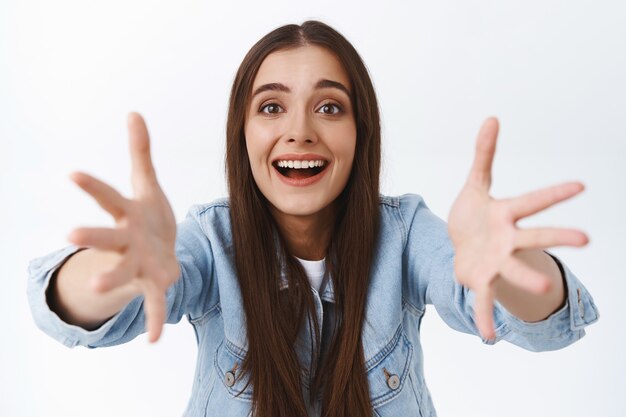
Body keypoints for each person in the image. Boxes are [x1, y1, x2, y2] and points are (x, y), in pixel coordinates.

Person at [27, 20, 599, 417]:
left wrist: (502, 269)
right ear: (243, 136)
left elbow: (544, 324)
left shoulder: (404, 235)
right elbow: (64, 314)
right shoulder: (210, 241)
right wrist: (119, 269)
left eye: (330, 106)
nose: (300, 130)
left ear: (361, 134)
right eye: (271, 106)